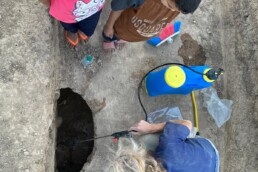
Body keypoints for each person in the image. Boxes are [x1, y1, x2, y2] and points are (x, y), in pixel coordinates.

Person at [107, 119, 219, 172]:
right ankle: (180, 136)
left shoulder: (168, 150)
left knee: (145, 140)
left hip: (208, 162)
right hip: (209, 153)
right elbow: (187, 123)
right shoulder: (169, 149)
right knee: (146, 140)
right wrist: (150, 128)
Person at [103, 0, 201, 53]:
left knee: (126, 37)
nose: (172, 11)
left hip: (136, 32)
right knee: (113, 34)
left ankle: (124, 38)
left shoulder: (178, 5)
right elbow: (117, 8)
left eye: (177, 11)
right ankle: (109, 39)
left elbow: (171, 16)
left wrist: (161, 28)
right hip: (122, 26)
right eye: (170, 7)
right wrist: (109, 26)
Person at [40, 0, 105, 48]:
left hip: (94, 7)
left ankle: (82, 30)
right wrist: (53, 6)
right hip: (66, 10)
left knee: (89, 25)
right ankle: (73, 31)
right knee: (69, 24)